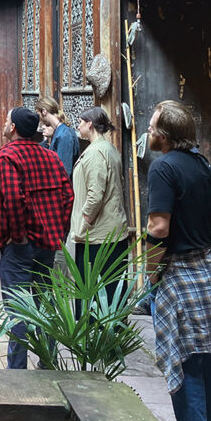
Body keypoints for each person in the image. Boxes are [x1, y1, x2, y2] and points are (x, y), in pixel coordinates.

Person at [146, 100, 211, 421]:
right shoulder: (207, 168)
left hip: (180, 272)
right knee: (207, 360)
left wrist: (149, 271)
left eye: (150, 128)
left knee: (185, 363)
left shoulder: (163, 168)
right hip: (209, 269)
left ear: (163, 136)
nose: (147, 133)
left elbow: (159, 228)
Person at [0, 107, 74, 369]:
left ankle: (17, 370)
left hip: (20, 246)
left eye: (6, 120)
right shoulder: (50, 157)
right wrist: (58, 231)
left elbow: (13, 199)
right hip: (46, 244)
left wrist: (18, 237)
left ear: (13, 127)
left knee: (18, 309)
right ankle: (48, 361)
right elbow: (68, 196)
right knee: (44, 302)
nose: (4, 123)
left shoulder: (8, 156)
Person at [69, 107, 128, 312]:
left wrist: (84, 221)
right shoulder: (108, 148)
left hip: (98, 234)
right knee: (111, 292)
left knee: (96, 294)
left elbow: (96, 193)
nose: (78, 126)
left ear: (90, 124)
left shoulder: (96, 152)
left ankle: (95, 340)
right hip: (109, 231)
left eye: (80, 122)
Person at [36, 95, 80, 178]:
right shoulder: (58, 133)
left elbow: (63, 171)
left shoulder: (64, 134)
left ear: (44, 111)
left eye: (39, 115)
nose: (40, 120)